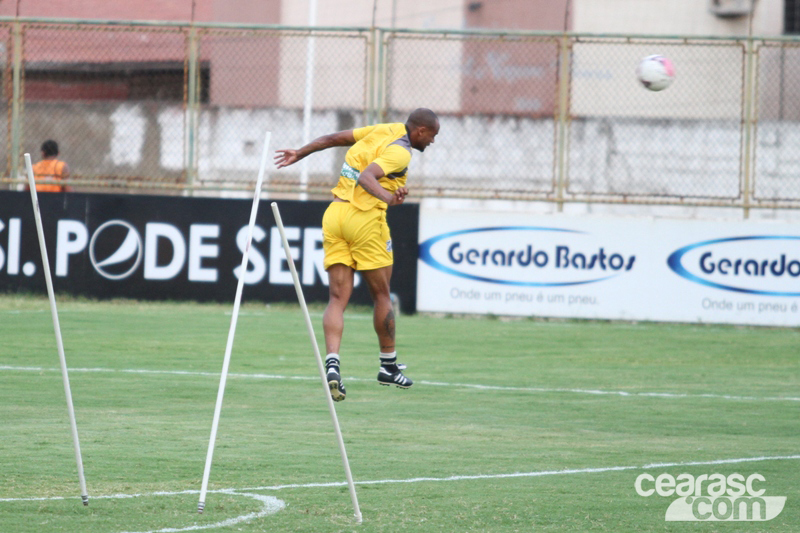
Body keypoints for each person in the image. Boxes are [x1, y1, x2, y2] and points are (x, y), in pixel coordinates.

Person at [274, 108, 440, 402]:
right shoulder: (401, 153)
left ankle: (333, 363)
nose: (432, 142)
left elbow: (333, 138)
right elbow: (366, 177)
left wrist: (300, 153)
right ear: (421, 131)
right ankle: (388, 365)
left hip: (335, 214)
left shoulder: (384, 128)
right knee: (382, 295)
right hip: (365, 220)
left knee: (337, 298)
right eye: (433, 136)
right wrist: (390, 198)